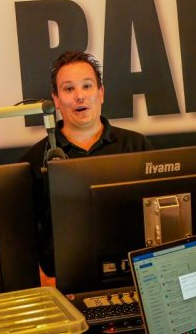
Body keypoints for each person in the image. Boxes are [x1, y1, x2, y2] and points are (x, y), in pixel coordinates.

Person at [21, 51, 154, 278]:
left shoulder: (136, 146)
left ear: (101, 93)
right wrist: (42, 278)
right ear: (56, 100)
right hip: (61, 282)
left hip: (133, 275)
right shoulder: (34, 159)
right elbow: (19, 233)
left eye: (87, 86)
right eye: (69, 89)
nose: (79, 96)